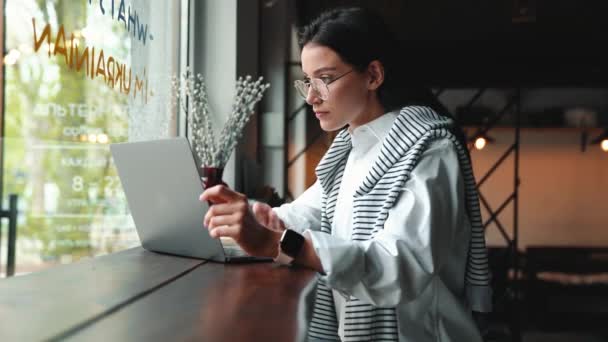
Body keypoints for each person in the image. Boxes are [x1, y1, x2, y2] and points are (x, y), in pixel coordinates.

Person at [200, 6, 492, 341]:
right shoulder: (349, 153)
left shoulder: (429, 150)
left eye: (325, 79)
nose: (311, 97)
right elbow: (303, 214)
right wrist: (253, 215)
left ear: (373, 75)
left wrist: (272, 242)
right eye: (308, 82)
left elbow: (399, 267)